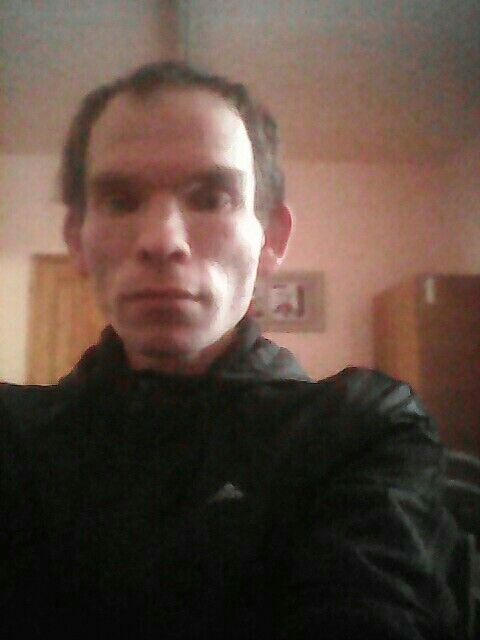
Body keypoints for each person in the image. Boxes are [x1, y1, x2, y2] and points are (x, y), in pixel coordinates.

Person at [0, 61, 470, 638]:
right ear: (76, 238)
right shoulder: (11, 440)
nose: (162, 241)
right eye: (120, 201)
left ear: (272, 237)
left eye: (212, 197)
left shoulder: (365, 433)